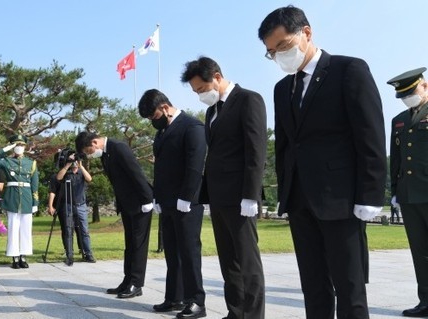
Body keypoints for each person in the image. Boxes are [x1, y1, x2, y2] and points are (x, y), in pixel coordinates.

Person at [258, 6, 387, 319]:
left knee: (350, 288)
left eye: (283, 46)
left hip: (341, 200)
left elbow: (369, 135)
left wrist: (370, 196)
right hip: (301, 200)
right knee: (313, 286)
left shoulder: (349, 70)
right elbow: (287, 146)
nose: (279, 56)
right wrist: (286, 193)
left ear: (307, 33)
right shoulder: (282, 88)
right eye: (271, 52)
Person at [181, 56, 267, 319]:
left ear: (216, 77)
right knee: (228, 260)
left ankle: (252, 315)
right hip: (219, 196)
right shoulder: (212, 111)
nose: (200, 95)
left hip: (241, 196)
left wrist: (250, 195)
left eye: (201, 89)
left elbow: (256, 150)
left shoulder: (248, 100)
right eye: (196, 92)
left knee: (247, 262)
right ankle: (235, 311)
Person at [137, 89, 207, 318]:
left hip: (186, 202)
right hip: (166, 202)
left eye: (154, 117)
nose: (153, 122)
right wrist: (156, 197)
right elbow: (161, 168)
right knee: (172, 252)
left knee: (189, 253)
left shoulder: (192, 127)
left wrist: (187, 197)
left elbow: (195, 166)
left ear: (165, 108)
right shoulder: (163, 131)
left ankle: (196, 301)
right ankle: (174, 297)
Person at [75, 131, 154, 299]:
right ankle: (128, 280)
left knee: (139, 244)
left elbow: (136, 173)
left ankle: (136, 283)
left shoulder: (119, 148)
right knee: (130, 244)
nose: (90, 155)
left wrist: (147, 200)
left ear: (95, 142)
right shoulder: (106, 153)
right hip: (127, 204)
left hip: (140, 203)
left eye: (89, 151)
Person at [387, 67, 428, 317]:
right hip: (410, 195)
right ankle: (425, 301)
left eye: (411, 92)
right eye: (403, 95)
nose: (407, 98)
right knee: (420, 252)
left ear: (425, 86)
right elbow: (397, 160)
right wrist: (394, 191)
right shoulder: (399, 120)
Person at [0, 134, 39, 269]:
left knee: (26, 229)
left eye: (21, 145)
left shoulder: (31, 163)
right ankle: (15, 257)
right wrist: (5, 149)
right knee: (13, 228)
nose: (19, 147)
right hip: (12, 197)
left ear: (25, 147)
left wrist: (35, 203)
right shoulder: (6, 161)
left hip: (27, 198)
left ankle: (23, 256)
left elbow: (34, 185)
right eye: (16, 145)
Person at [53, 151, 96, 265]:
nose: (75, 163)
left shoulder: (81, 172)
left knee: (84, 230)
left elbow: (89, 179)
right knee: (68, 230)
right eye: (74, 161)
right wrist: (67, 164)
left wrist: (81, 165)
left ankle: (88, 253)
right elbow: (58, 177)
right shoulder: (67, 173)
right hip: (68, 204)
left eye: (76, 161)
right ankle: (69, 254)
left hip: (81, 205)